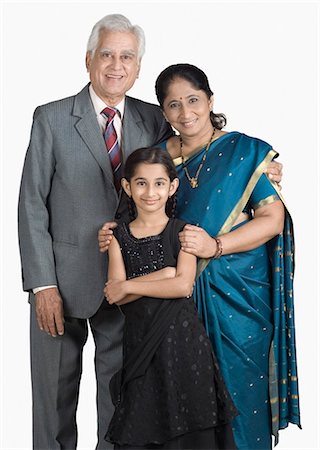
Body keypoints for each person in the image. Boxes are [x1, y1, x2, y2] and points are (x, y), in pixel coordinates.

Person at [99, 63, 301, 450]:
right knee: (184, 407)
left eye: (193, 100)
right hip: (173, 303)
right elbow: (134, 219)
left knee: (242, 393)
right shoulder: (157, 160)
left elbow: (272, 220)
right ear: (163, 112)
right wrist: (110, 235)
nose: (185, 112)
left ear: (210, 100)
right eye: (173, 105)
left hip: (239, 296)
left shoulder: (245, 152)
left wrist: (216, 246)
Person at [18, 14, 173, 450]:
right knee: (52, 406)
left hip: (132, 283)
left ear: (139, 67)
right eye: (107, 54)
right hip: (61, 283)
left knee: (122, 402)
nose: (116, 65)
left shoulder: (153, 119)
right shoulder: (50, 119)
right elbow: (31, 203)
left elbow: (194, 154)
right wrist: (42, 284)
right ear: (89, 59)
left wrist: (261, 166)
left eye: (127, 56)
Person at [103, 146, 238, 449]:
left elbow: (183, 287)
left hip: (185, 344)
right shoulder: (118, 237)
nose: (150, 192)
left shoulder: (184, 232)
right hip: (141, 344)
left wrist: (134, 285)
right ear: (127, 186)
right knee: (143, 420)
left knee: (193, 424)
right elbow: (115, 293)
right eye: (141, 183)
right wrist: (164, 274)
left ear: (172, 186)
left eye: (159, 183)